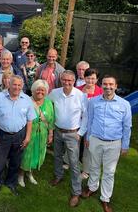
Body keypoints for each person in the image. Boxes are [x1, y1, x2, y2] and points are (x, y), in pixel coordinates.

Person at [81, 75, 132, 212]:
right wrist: (87, 137)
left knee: (109, 172)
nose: (108, 87)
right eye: (105, 84)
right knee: (94, 166)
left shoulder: (124, 104)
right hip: (95, 140)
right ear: (101, 85)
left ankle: (105, 198)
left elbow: (127, 127)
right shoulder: (93, 102)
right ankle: (92, 187)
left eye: (111, 84)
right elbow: (90, 120)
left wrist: (125, 145)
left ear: (116, 86)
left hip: (114, 143)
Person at [0, 75, 35, 196]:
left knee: (15, 161)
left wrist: (28, 137)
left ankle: (11, 183)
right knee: (0, 160)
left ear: (22, 86)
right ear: (9, 84)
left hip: (19, 135)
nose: (17, 87)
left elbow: (30, 120)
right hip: (2, 134)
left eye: (19, 85)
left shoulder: (27, 99)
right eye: (14, 84)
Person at [48, 70, 88, 207]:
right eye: (64, 80)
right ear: (61, 80)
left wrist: (80, 133)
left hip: (73, 134)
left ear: (74, 81)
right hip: (58, 130)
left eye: (70, 80)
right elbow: (46, 104)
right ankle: (58, 176)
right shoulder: (55, 93)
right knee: (57, 156)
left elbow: (86, 116)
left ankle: (76, 192)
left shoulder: (80, 95)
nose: (67, 83)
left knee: (74, 163)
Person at [18, 80, 54, 187]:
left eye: (42, 90)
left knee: (37, 154)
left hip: (42, 135)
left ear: (46, 91)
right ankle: (20, 175)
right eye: (37, 89)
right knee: (26, 155)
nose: (40, 92)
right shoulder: (27, 101)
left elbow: (51, 119)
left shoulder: (48, 103)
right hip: (28, 133)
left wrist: (50, 133)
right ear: (33, 90)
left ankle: (30, 173)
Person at [76, 68, 103, 180]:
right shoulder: (78, 90)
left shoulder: (101, 92)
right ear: (84, 78)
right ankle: (70, 163)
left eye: (93, 78)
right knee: (75, 143)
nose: (90, 81)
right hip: (78, 121)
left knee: (88, 146)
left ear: (97, 79)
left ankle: (86, 170)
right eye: (88, 78)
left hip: (92, 123)